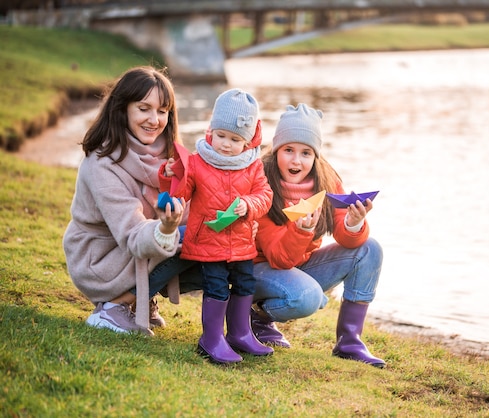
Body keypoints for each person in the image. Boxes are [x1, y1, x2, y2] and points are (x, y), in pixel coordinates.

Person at [63, 66, 203, 336]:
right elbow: (130, 233)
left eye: (162, 111)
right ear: (123, 108)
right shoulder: (102, 163)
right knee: (192, 237)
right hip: (99, 260)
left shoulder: (171, 159)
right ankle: (113, 307)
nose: (154, 119)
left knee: (211, 236)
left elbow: (188, 215)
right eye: (144, 108)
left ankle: (140, 299)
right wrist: (165, 230)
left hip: (136, 248)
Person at [252, 103, 386, 368]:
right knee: (307, 297)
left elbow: (347, 239)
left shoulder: (326, 180)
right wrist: (301, 231)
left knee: (369, 249)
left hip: (301, 265)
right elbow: (279, 259)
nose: (296, 160)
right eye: (288, 150)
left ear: (315, 156)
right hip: (259, 271)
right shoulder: (261, 182)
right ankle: (255, 315)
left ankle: (349, 341)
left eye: (306, 152)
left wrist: (353, 223)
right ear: (277, 149)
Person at [161, 88, 274, 364]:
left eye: (235, 139)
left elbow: (265, 196)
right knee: (216, 286)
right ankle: (211, 339)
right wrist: (171, 177)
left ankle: (240, 333)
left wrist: (248, 204)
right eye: (221, 135)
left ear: (247, 141)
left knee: (246, 282)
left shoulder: (253, 166)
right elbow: (180, 195)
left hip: (242, 243)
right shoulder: (198, 163)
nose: (225, 144)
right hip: (209, 241)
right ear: (210, 129)